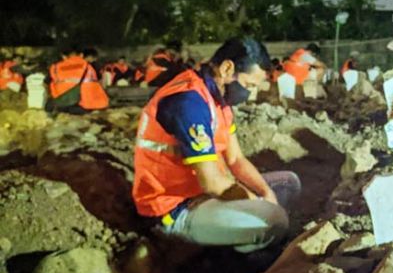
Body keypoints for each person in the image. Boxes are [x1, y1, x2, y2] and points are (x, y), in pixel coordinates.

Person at [132, 38, 301, 252]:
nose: (251, 94)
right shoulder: (188, 102)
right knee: (276, 220)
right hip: (176, 208)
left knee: (288, 183)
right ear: (227, 68)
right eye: (249, 85)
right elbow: (211, 182)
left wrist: (264, 193)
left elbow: (236, 159)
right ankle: (238, 259)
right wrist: (257, 203)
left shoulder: (217, 98)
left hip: (208, 194)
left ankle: (241, 233)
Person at [49, 46, 109, 112]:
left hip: (61, 104)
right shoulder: (89, 66)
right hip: (86, 106)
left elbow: (48, 84)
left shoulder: (55, 68)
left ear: (64, 56)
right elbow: (99, 82)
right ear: (81, 55)